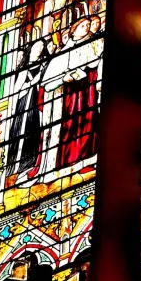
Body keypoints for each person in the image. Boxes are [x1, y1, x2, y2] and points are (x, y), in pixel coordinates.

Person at [40, 17, 103, 174]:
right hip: (70, 98)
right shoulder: (63, 52)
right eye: (83, 25)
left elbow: (95, 64)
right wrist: (62, 78)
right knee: (71, 127)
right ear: (74, 29)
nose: (86, 28)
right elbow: (48, 82)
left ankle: (86, 159)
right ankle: (70, 161)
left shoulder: (93, 46)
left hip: (87, 94)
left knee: (89, 123)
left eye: (88, 25)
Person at [5, 38, 48, 179]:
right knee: (20, 131)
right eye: (37, 46)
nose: (40, 49)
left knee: (33, 130)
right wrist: (31, 83)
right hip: (24, 103)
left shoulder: (43, 65)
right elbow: (17, 89)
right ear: (31, 48)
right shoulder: (24, 67)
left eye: (42, 46)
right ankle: (15, 164)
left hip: (36, 103)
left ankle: (28, 163)